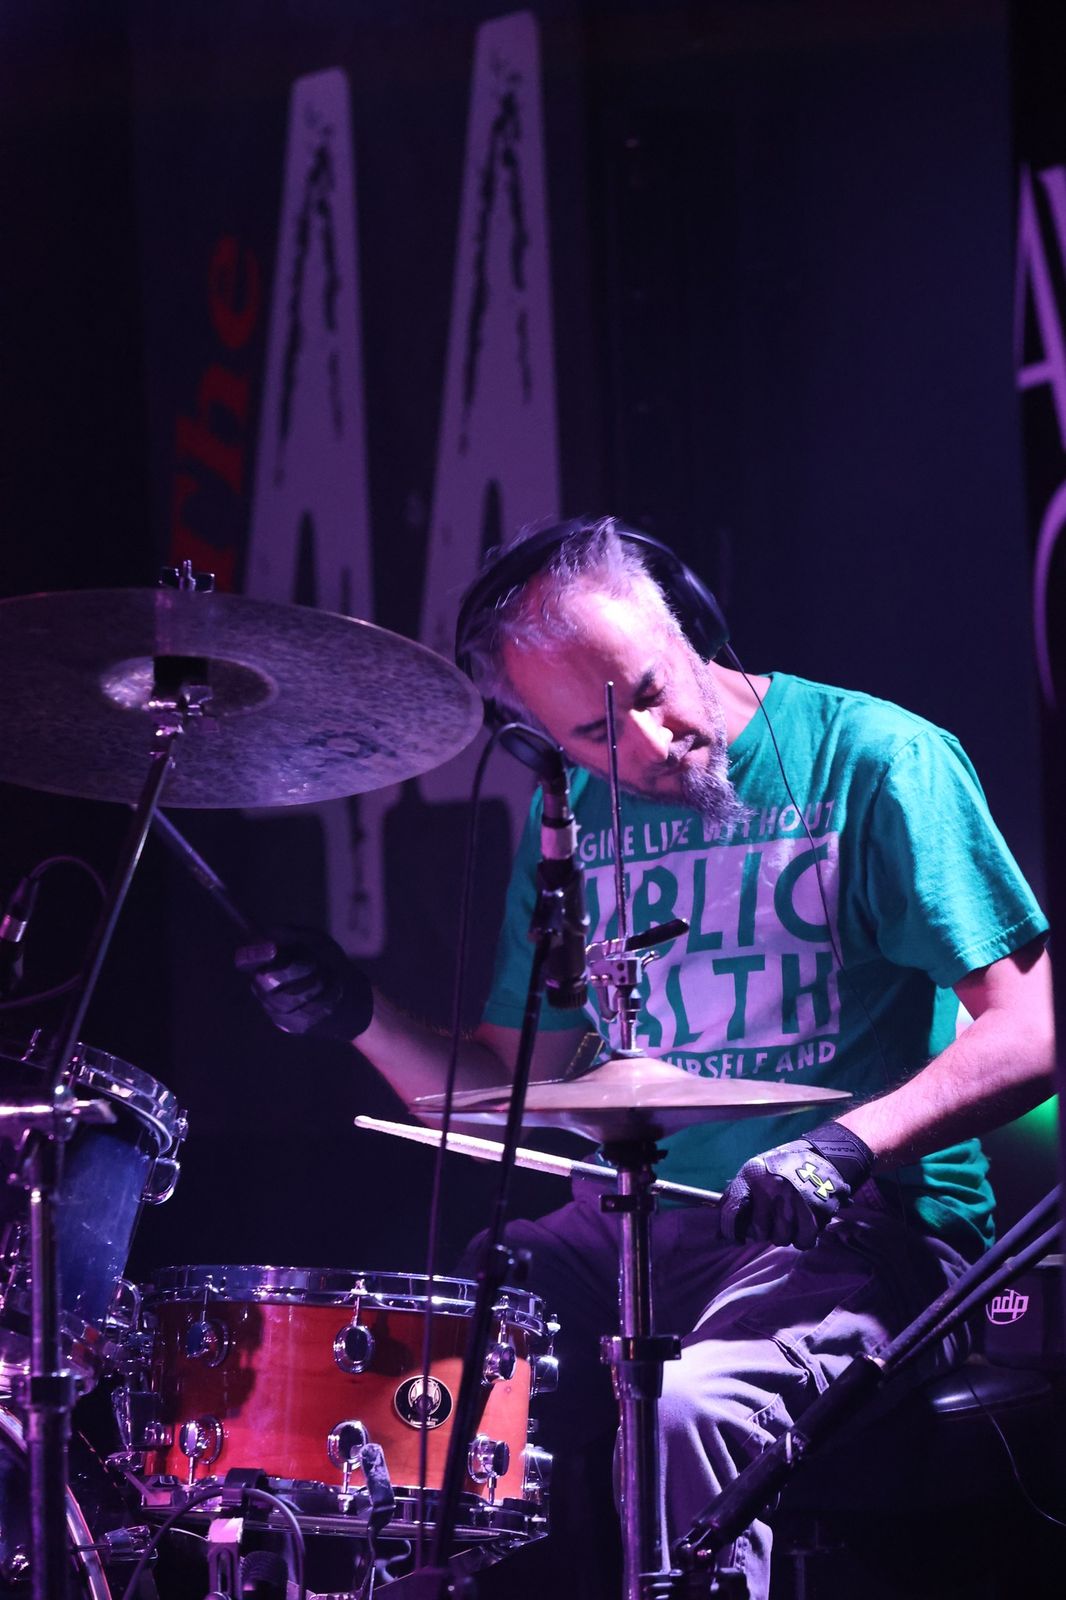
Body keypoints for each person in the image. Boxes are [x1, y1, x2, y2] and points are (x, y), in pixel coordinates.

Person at [240, 516, 1054, 1598]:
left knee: (687, 1409)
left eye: (655, 688)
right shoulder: (569, 820)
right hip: (631, 1220)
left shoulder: (874, 761)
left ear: (685, 622)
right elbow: (506, 1086)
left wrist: (845, 1144)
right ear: (539, 742)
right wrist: (353, 1011)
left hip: (861, 1227)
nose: (652, 739)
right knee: (422, 1376)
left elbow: (1034, 1029)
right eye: (594, 730)